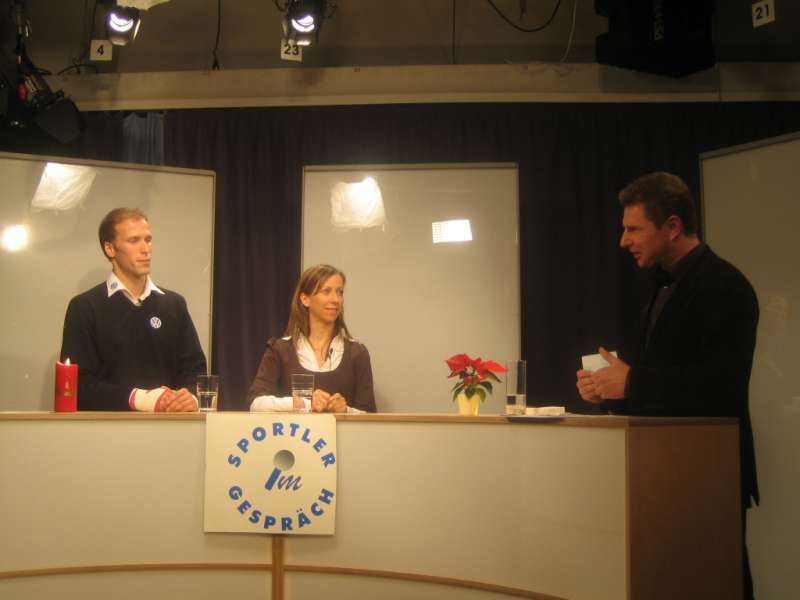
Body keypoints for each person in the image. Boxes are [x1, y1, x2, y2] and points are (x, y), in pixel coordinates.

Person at [575, 172, 759, 599]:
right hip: (665, 472)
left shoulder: (726, 286)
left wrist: (633, 381)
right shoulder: (660, 287)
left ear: (672, 227)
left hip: (707, 473)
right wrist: (610, 388)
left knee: (718, 584)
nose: (623, 240)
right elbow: (670, 379)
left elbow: (720, 387)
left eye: (633, 228)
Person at [60, 208, 207, 412]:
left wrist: (189, 397)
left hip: (171, 432)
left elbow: (195, 370)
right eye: (133, 241)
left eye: (148, 239)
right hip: (107, 434)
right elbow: (80, 386)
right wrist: (142, 399)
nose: (145, 249)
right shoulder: (85, 307)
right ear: (110, 249)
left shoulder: (174, 304)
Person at [248, 264, 376, 413]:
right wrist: (302, 403)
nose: (335, 299)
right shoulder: (280, 350)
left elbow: (370, 416)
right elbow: (255, 404)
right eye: (326, 291)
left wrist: (346, 410)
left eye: (339, 292)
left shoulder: (357, 353)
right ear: (305, 299)